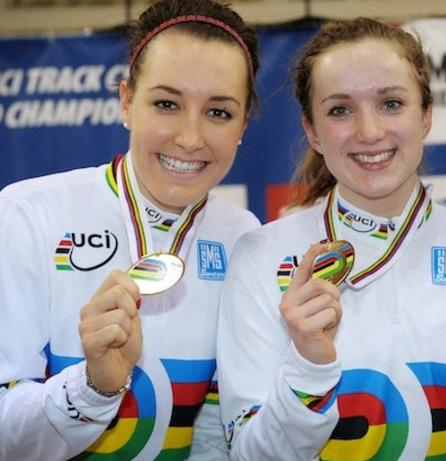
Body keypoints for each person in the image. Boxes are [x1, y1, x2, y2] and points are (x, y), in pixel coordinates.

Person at [217, 17, 446, 461]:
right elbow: (251, 454)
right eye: (340, 110)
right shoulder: (260, 256)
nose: (370, 132)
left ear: (426, 114)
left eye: (391, 103)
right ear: (312, 131)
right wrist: (309, 366)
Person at [0, 0, 261, 459]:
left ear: (243, 123)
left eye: (218, 112)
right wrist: (92, 387)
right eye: (167, 104)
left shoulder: (242, 235)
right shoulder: (27, 214)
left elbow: (217, 433)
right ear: (126, 101)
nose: (189, 138)